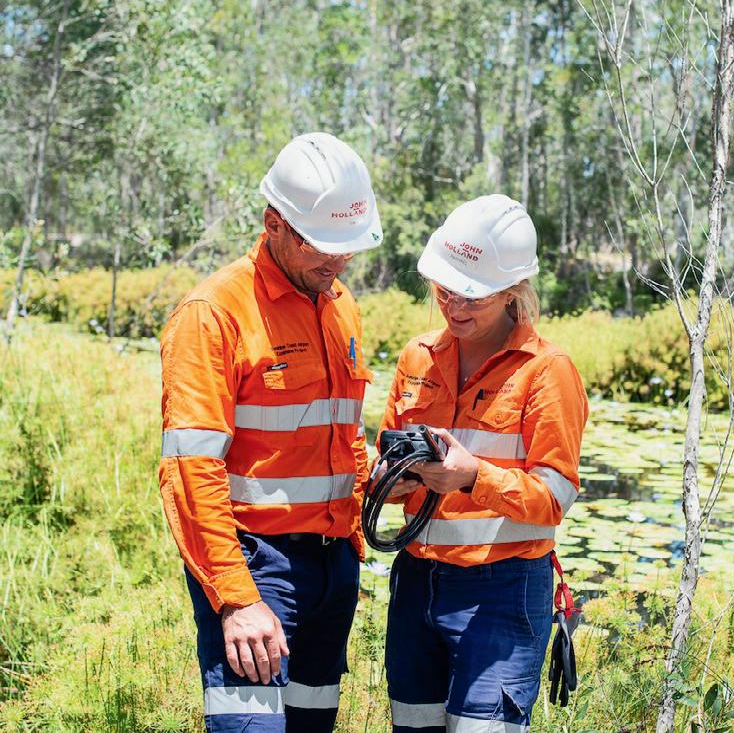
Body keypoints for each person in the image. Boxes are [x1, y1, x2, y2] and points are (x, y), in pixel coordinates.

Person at [159, 132, 381, 733]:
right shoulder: (213, 314)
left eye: (347, 247)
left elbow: (345, 434)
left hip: (333, 566)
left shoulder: (340, 303)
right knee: (251, 725)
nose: (337, 262)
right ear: (273, 223)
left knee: (312, 722)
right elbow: (191, 470)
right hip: (257, 565)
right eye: (321, 245)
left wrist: (362, 521)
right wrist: (236, 597)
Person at [377, 194, 588, 733]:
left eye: (472, 297)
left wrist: (473, 477)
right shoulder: (418, 356)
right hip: (416, 580)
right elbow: (385, 454)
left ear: (513, 290)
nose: (454, 308)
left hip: (503, 588)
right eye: (444, 291)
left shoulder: (547, 371)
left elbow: (554, 498)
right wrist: (388, 481)